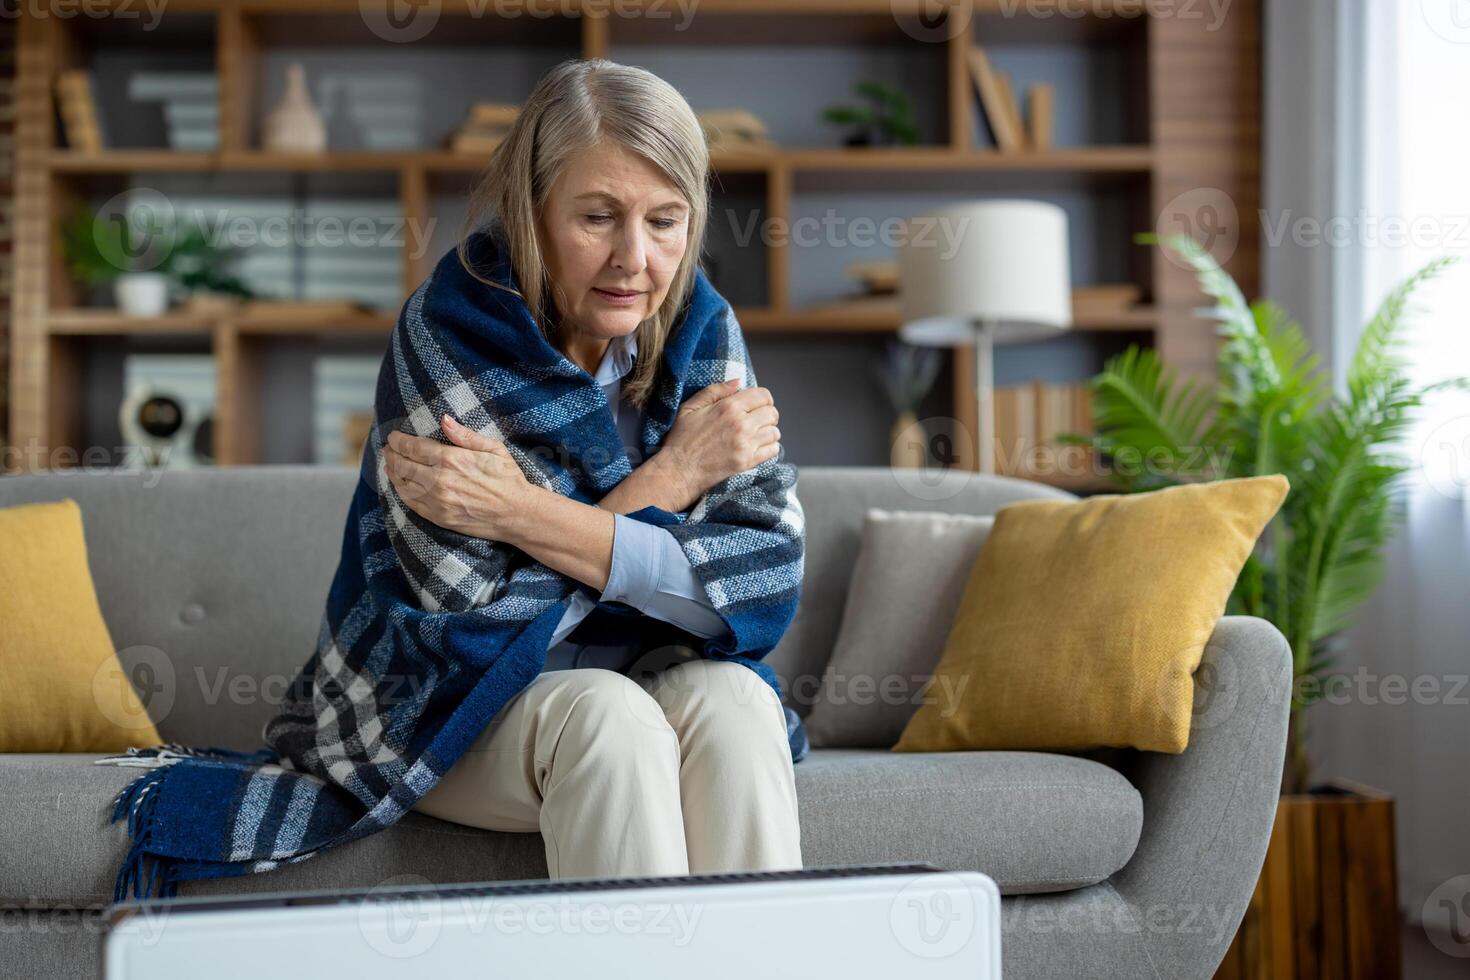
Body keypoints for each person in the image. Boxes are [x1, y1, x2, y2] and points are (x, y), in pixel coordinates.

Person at [377, 58, 803, 880]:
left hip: (650, 673)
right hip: (457, 704)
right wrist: (676, 480)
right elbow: (474, 614)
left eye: (666, 221)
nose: (634, 260)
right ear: (530, 213)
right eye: (598, 217)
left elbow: (761, 582)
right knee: (610, 718)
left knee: (739, 700)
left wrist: (519, 515)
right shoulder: (447, 333)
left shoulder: (705, 335)